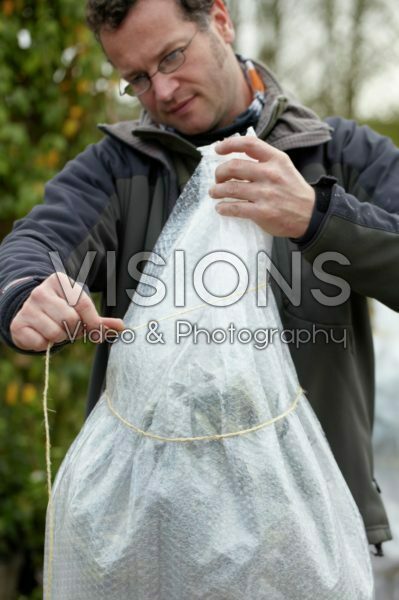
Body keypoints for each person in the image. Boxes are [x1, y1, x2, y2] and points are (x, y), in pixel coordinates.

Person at [0, 0, 397, 556]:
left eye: (172, 57)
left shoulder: (342, 154)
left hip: (315, 537)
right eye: (136, 78)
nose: (161, 91)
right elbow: (38, 241)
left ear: (221, 18)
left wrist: (317, 218)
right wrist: (25, 290)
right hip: (153, 540)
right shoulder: (117, 169)